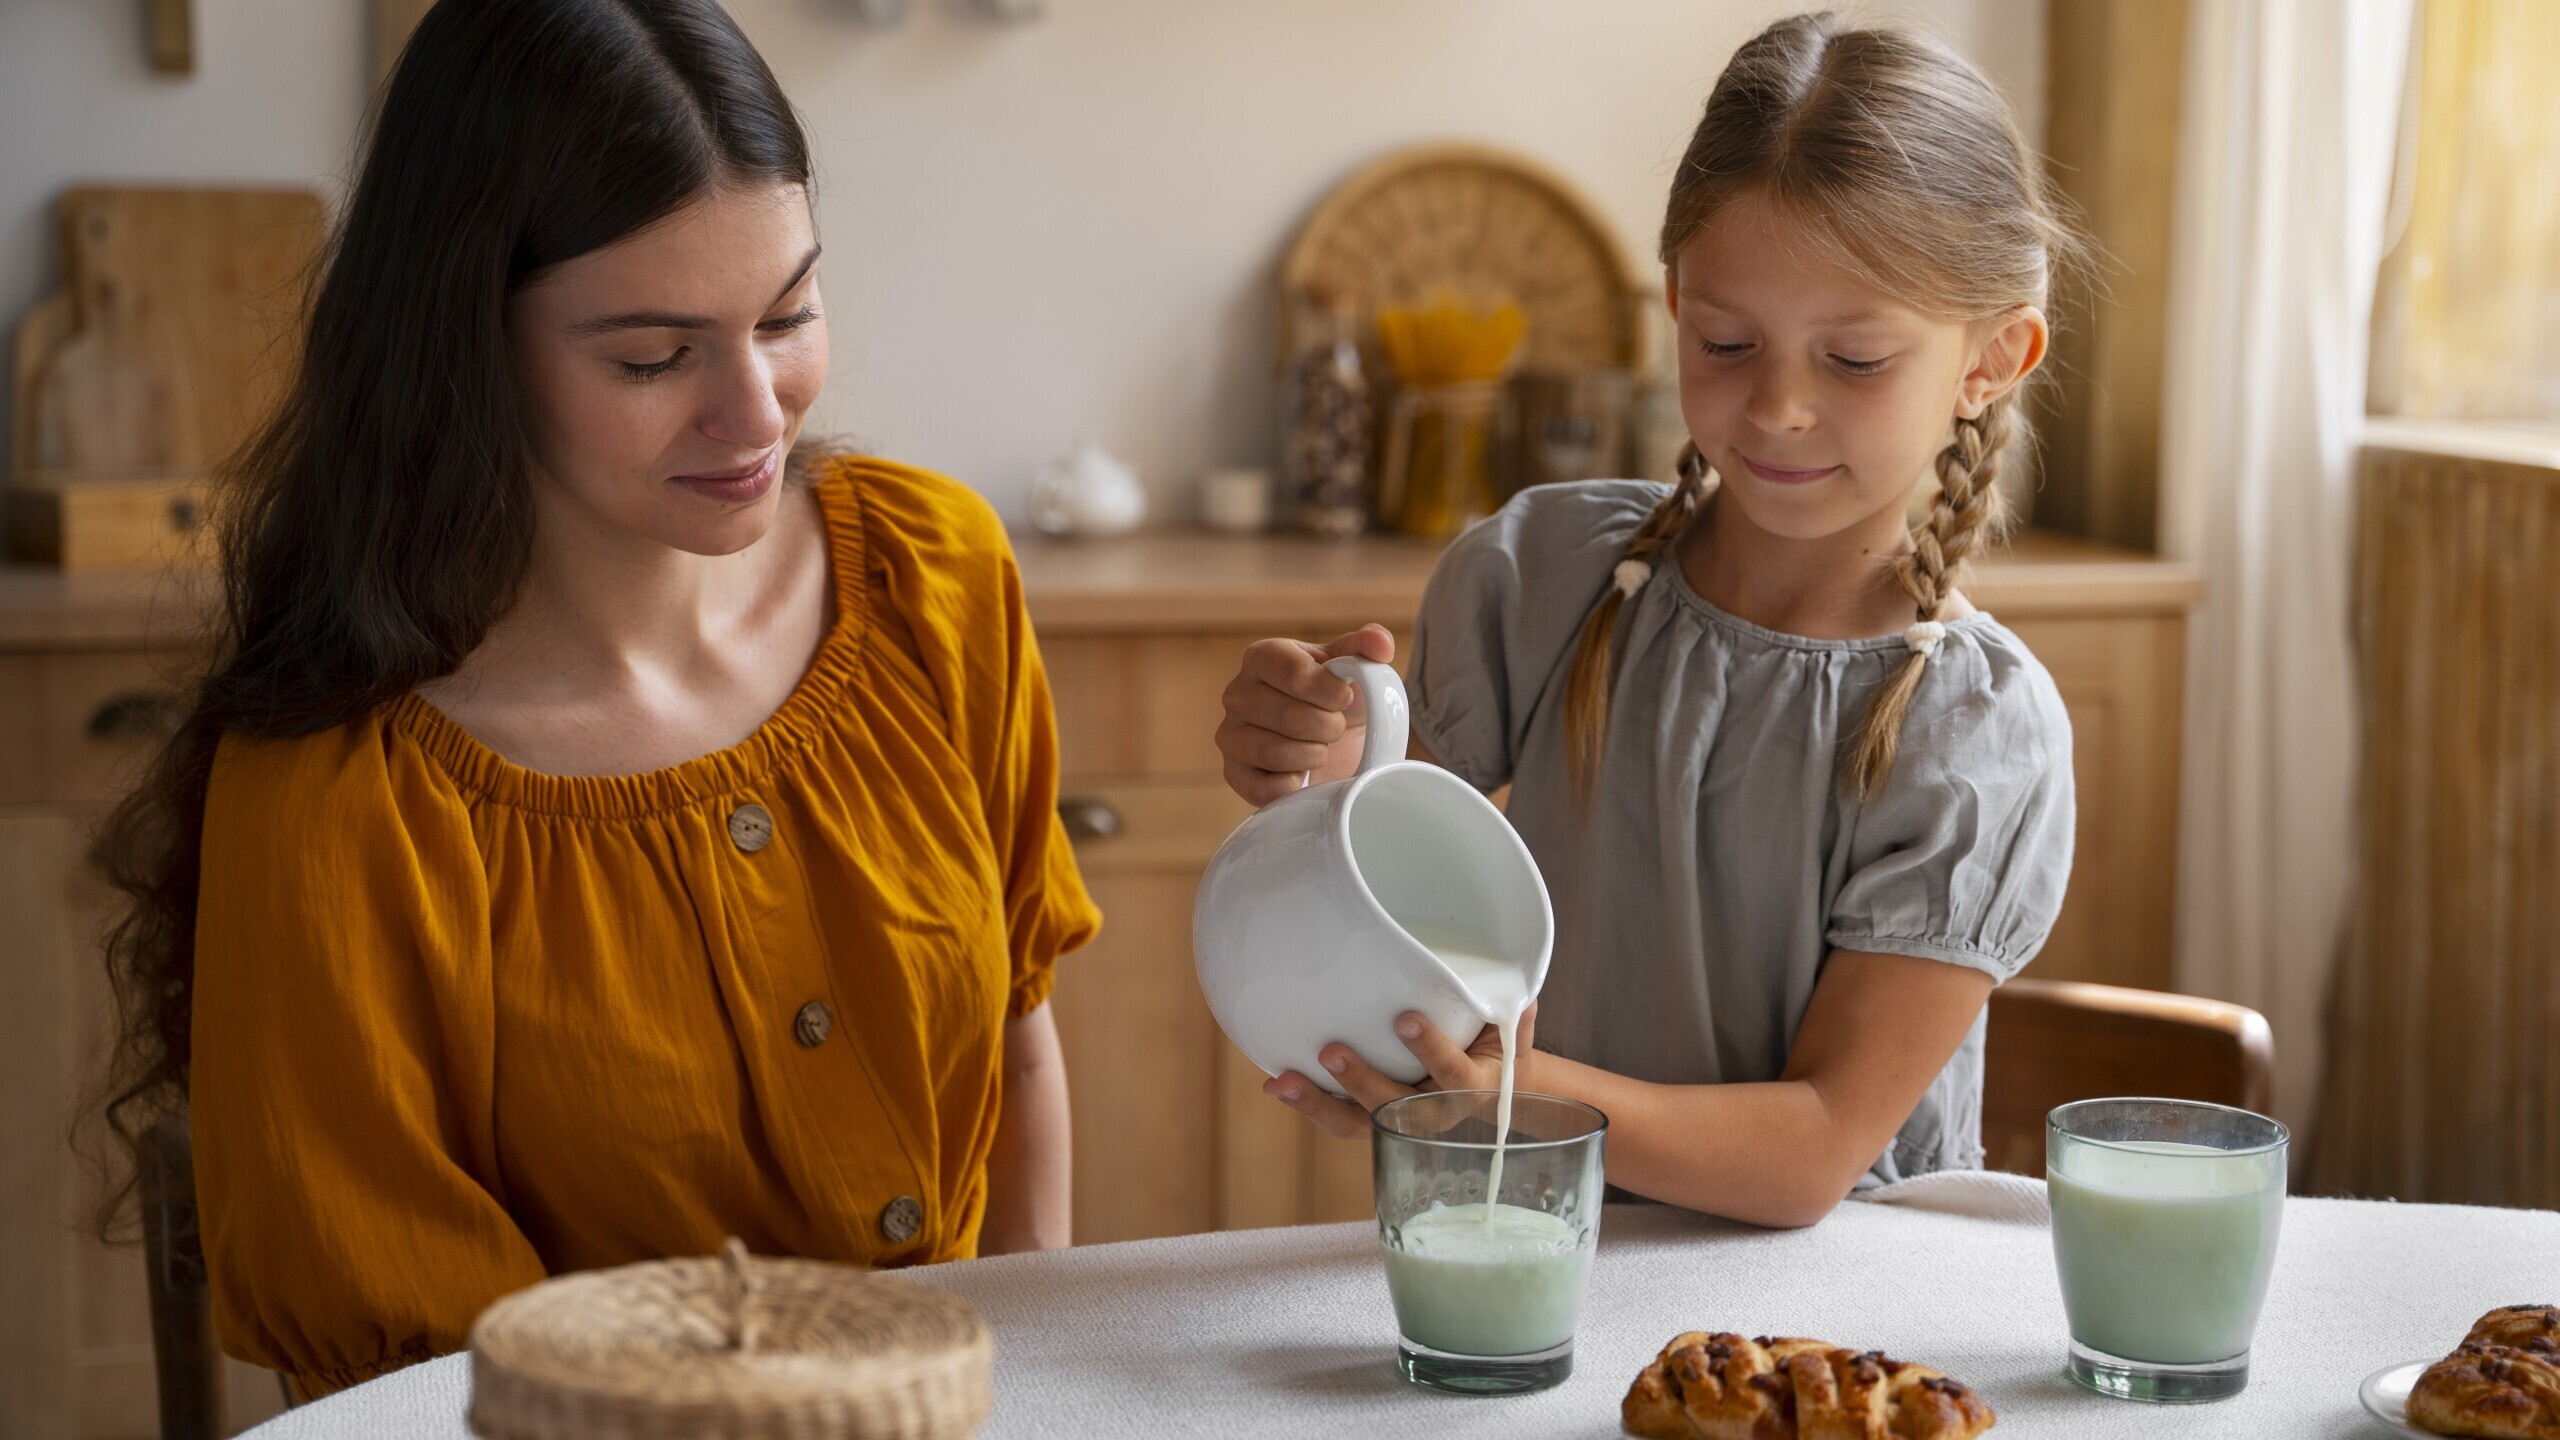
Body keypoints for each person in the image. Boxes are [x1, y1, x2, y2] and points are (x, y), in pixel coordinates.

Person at [89, 0, 1097, 1397]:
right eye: (652, 357)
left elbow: (1019, 1047)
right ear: (470, 349)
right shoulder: (342, 794)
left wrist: (1027, 1392)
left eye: (789, 313)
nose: (757, 413)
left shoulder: (938, 581)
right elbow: (393, 1389)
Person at [1215, 12, 2079, 1229]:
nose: (1776, 407)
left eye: (1855, 360)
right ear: (1674, 301)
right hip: (1526, 1248)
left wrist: (1514, 1100)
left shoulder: (1974, 726)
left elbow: (1811, 1151)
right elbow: (1387, 848)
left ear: (1990, 360)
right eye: (1727, 341)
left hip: (1827, 1330)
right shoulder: (1543, 574)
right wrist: (1311, 763)